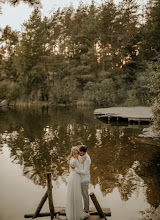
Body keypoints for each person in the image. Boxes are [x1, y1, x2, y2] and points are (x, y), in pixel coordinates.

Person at [66, 146, 89, 220]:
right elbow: (80, 169)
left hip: (72, 178)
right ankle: (77, 214)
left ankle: (72, 213)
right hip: (75, 178)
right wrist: (82, 161)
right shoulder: (75, 160)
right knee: (76, 195)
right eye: (74, 154)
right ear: (72, 154)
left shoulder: (71, 159)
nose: (76, 155)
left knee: (73, 195)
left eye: (77, 154)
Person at [72, 145, 91, 214]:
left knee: (85, 195)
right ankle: (81, 208)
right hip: (79, 179)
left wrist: (75, 169)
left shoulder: (87, 160)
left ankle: (86, 210)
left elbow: (85, 172)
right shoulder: (81, 155)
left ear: (83, 152)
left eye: (80, 152)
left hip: (84, 180)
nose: (79, 153)